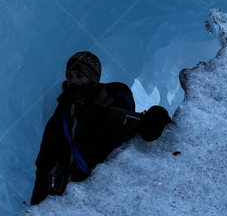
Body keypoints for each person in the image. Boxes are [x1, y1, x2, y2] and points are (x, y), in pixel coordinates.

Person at [30, 51, 171, 206]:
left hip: (94, 203)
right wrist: (37, 203)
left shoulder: (107, 112)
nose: (73, 82)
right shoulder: (60, 117)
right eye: (70, 76)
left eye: (79, 76)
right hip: (61, 201)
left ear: (92, 79)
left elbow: (145, 126)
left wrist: (158, 114)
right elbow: (44, 164)